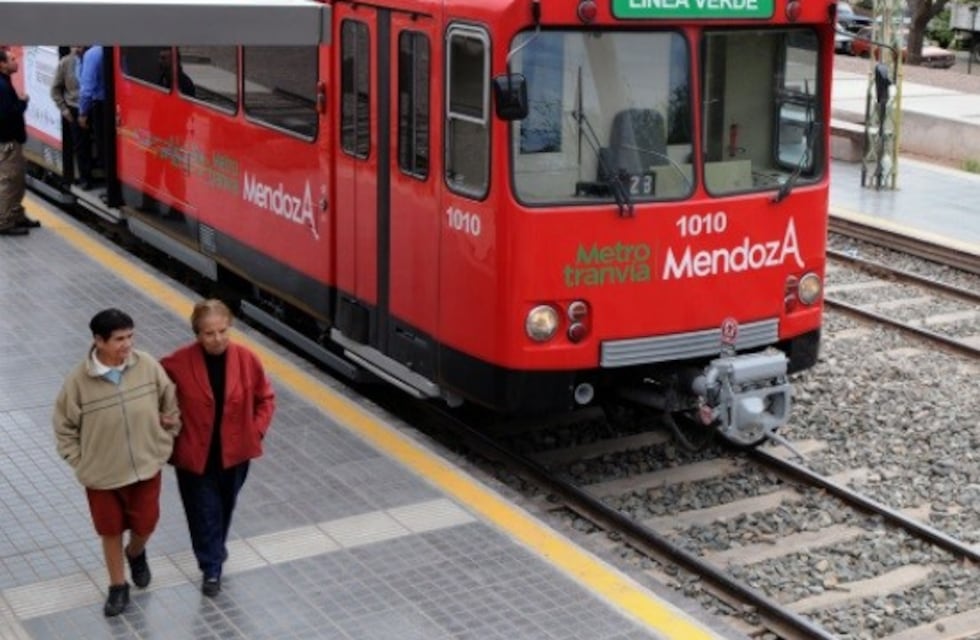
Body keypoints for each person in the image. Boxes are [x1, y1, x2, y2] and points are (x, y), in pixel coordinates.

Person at [53, 308, 180, 617]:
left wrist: (167, 435)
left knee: (146, 523)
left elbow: (170, 400)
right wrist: (81, 462)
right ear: (98, 341)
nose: (127, 344)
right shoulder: (77, 382)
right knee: (110, 530)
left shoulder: (146, 365)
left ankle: (136, 552)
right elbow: (64, 427)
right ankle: (117, 587)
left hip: (147, 466)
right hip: (101, 475)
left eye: (130, 336)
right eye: (120, 339)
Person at [161, 299, 275, 597]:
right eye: (209, 333)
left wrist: (257, 430)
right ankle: (211, 568)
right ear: (197, 334)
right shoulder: (177, 362)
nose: (217, 339)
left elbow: (266, 399)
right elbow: (153, 390)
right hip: (195, 455)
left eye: (223, 331)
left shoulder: (247, 359)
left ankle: (214, 551)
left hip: (234, 455)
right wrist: (164, 419)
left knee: (224, 507)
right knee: (203, 512)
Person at [0, 48, 40, 235]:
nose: (16, 61)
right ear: (2, 65)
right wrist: (22, 103)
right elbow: (6, 115)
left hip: (11, 141)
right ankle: (4, 222)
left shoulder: (5, 82)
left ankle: (16, 215)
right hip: (6, 143)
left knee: (17, 181)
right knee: (9, 183)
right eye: (12, 59)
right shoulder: (1, 86)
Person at [50, 46, 91, 187]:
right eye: (75, 46)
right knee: (80, 144)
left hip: (91, 106)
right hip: (74, 107)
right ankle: (85, 177)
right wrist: (64, 109)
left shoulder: (90, 59)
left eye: (80, 46)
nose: (77, 49)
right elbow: (55, 89)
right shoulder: (66, 63)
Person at [77, 44, 105, 190]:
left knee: (102, 146)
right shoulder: (111, 49)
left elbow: (86, 89)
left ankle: (108, 187)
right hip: (114, 103)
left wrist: (83, 113)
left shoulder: (92, 54)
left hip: (99, 105)